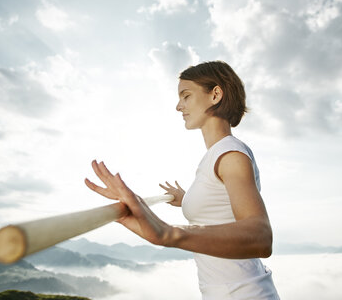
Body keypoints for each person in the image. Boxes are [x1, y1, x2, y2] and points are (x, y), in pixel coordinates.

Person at [85, 61, 280, 299]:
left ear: (215, 94)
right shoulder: (217, 156)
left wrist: (168, 233)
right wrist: (186, 199)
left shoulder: (229, 155)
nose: (179, 106)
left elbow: (261, 237)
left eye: (186, 96)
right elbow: (223, 206)